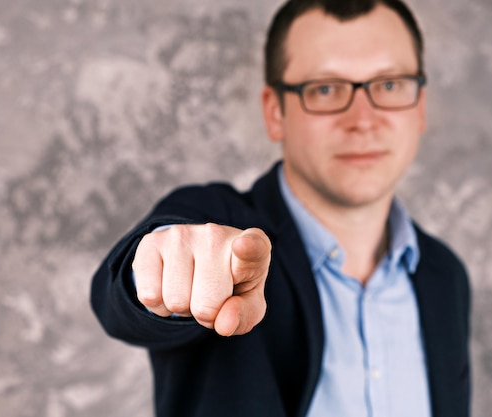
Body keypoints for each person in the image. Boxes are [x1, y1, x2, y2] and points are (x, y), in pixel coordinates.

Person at [90, 0, 472, 416]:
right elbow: (121, 295)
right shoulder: (219, 226)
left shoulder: (445, 277)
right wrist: (161, 267)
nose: (363, 119)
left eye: (390, 85)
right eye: (325, 89)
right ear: (275, 113)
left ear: (420, 107)